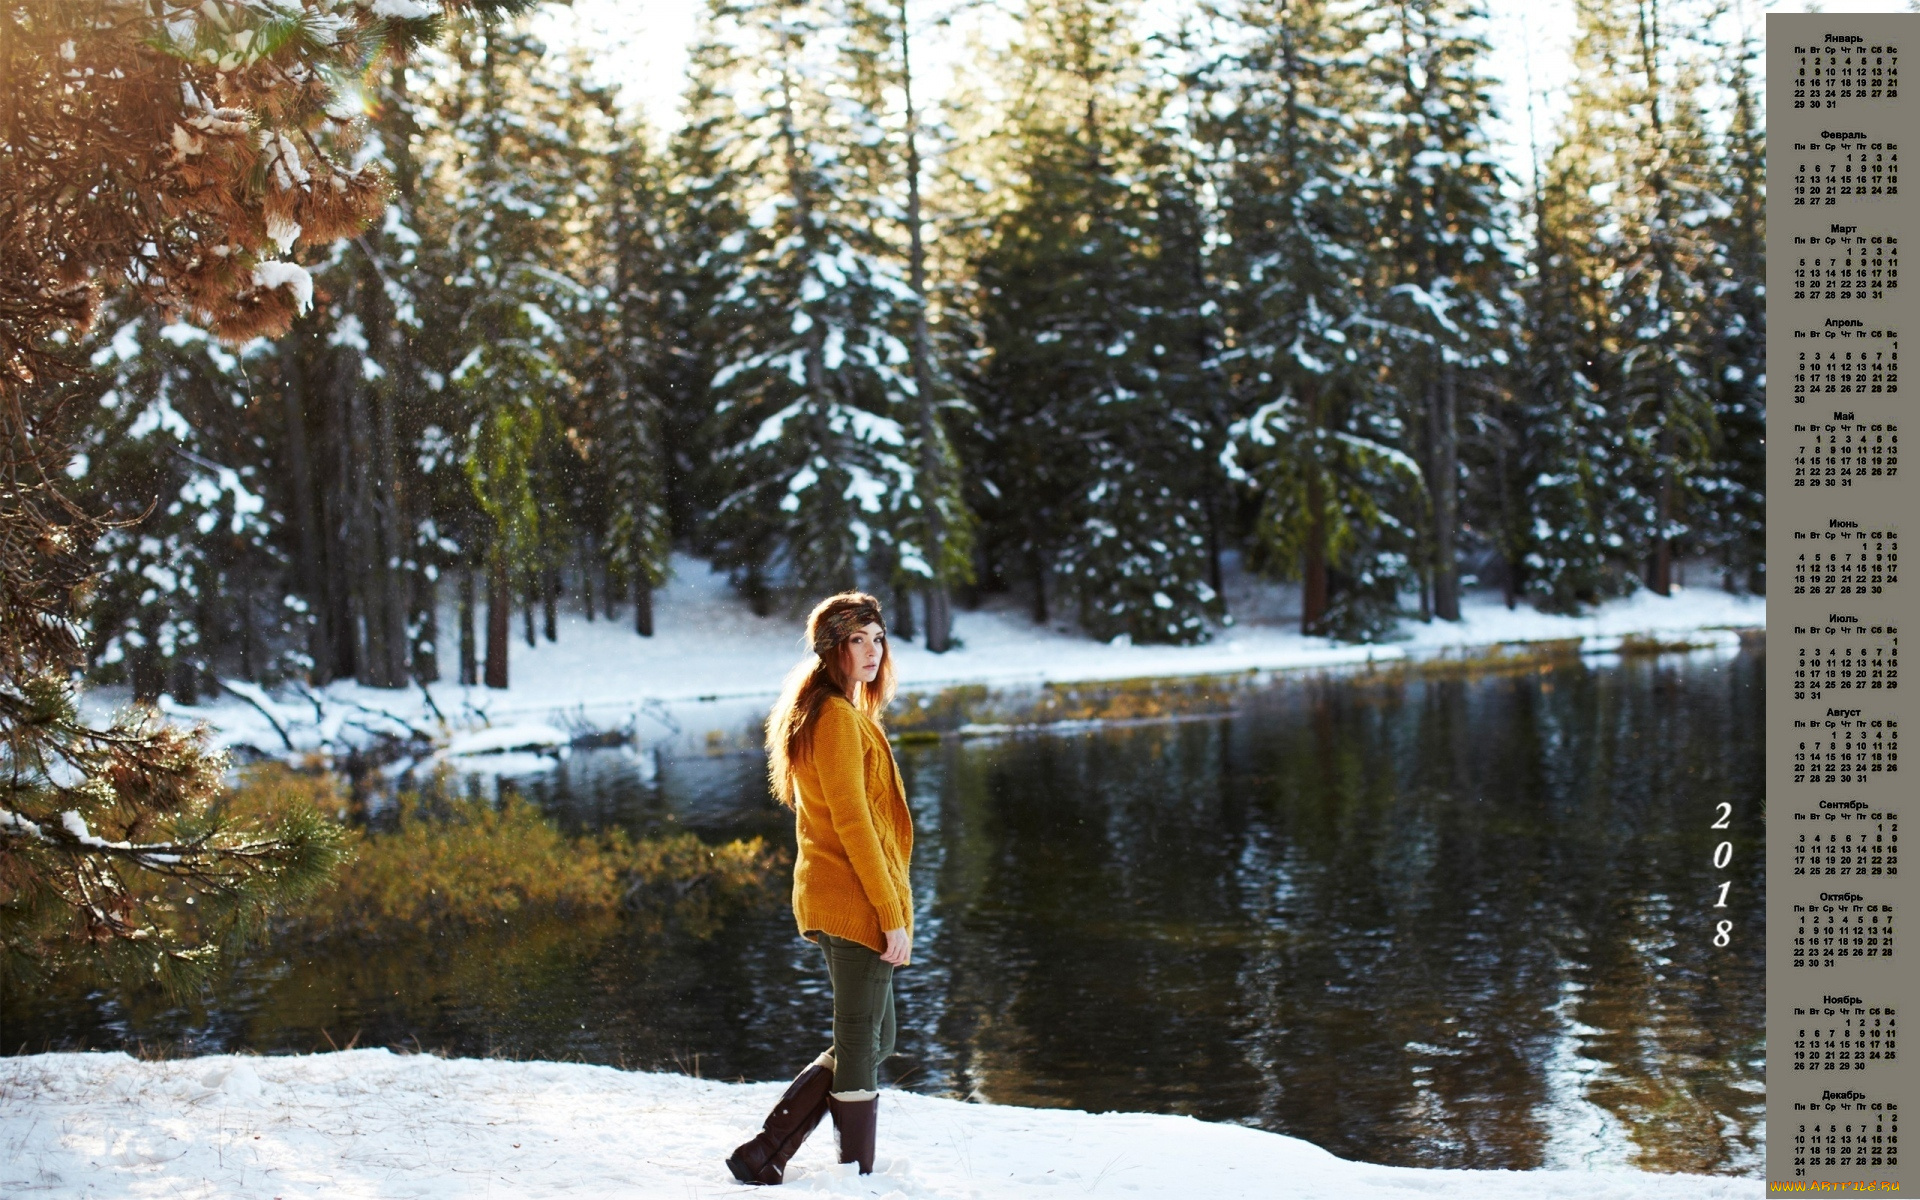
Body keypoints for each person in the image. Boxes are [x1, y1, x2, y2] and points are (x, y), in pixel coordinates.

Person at [726, 591, 915, 1185]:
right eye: (857, 640)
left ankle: (767, 1150)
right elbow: (854, 823)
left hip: (839, 894)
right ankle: (853, 1172)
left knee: (877, 1037)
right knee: (861, 1040)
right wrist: (890, 913)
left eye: (877, 638)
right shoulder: (833, 717)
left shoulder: (834, 711)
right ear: (832, 648)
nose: (872, 651)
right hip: (853, 900)